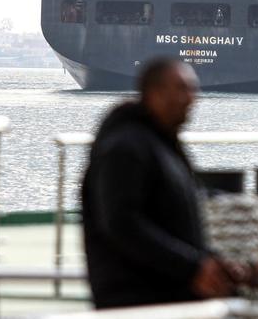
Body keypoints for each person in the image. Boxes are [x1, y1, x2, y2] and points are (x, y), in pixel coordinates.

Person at [81, 58, 235, 308]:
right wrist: (192, 268)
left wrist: (212, 262)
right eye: (183, 89)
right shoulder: (125, 148)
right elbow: (122, 224)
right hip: (135, 301)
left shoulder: (164, 148)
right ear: (155, 93)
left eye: (193, 89)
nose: (192, 98)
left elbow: (171, 225)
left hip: (169, 297)